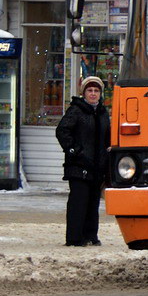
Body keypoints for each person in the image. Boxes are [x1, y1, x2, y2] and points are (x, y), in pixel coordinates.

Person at [56, 76, 111, 246]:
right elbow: (62, 131)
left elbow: (106, 136)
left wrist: (107, 153)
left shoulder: (102, 113)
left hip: (97, 166)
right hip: (79, 165)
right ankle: (74, 237)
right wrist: (74, 150)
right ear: (84, 93)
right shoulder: (76, 110)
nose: (93, 94)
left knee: (93, 202)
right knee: (78, 202)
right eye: (90, 90)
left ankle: (90, 235)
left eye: (96, 91)